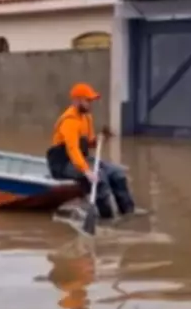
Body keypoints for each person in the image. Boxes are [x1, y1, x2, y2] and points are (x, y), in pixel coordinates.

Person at [46, 82, 135, 220]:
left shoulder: (87, 118)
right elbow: (72, 149)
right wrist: (86, 171)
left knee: (118, 174)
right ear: (77, 101)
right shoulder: (69, 121)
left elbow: (90, 143)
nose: (90, 104)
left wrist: (101, 138)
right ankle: (107, 219)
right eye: (88, 101)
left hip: (81, 159)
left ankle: (128, 213)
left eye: (91, 101)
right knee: (99, 179)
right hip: (63, 164)